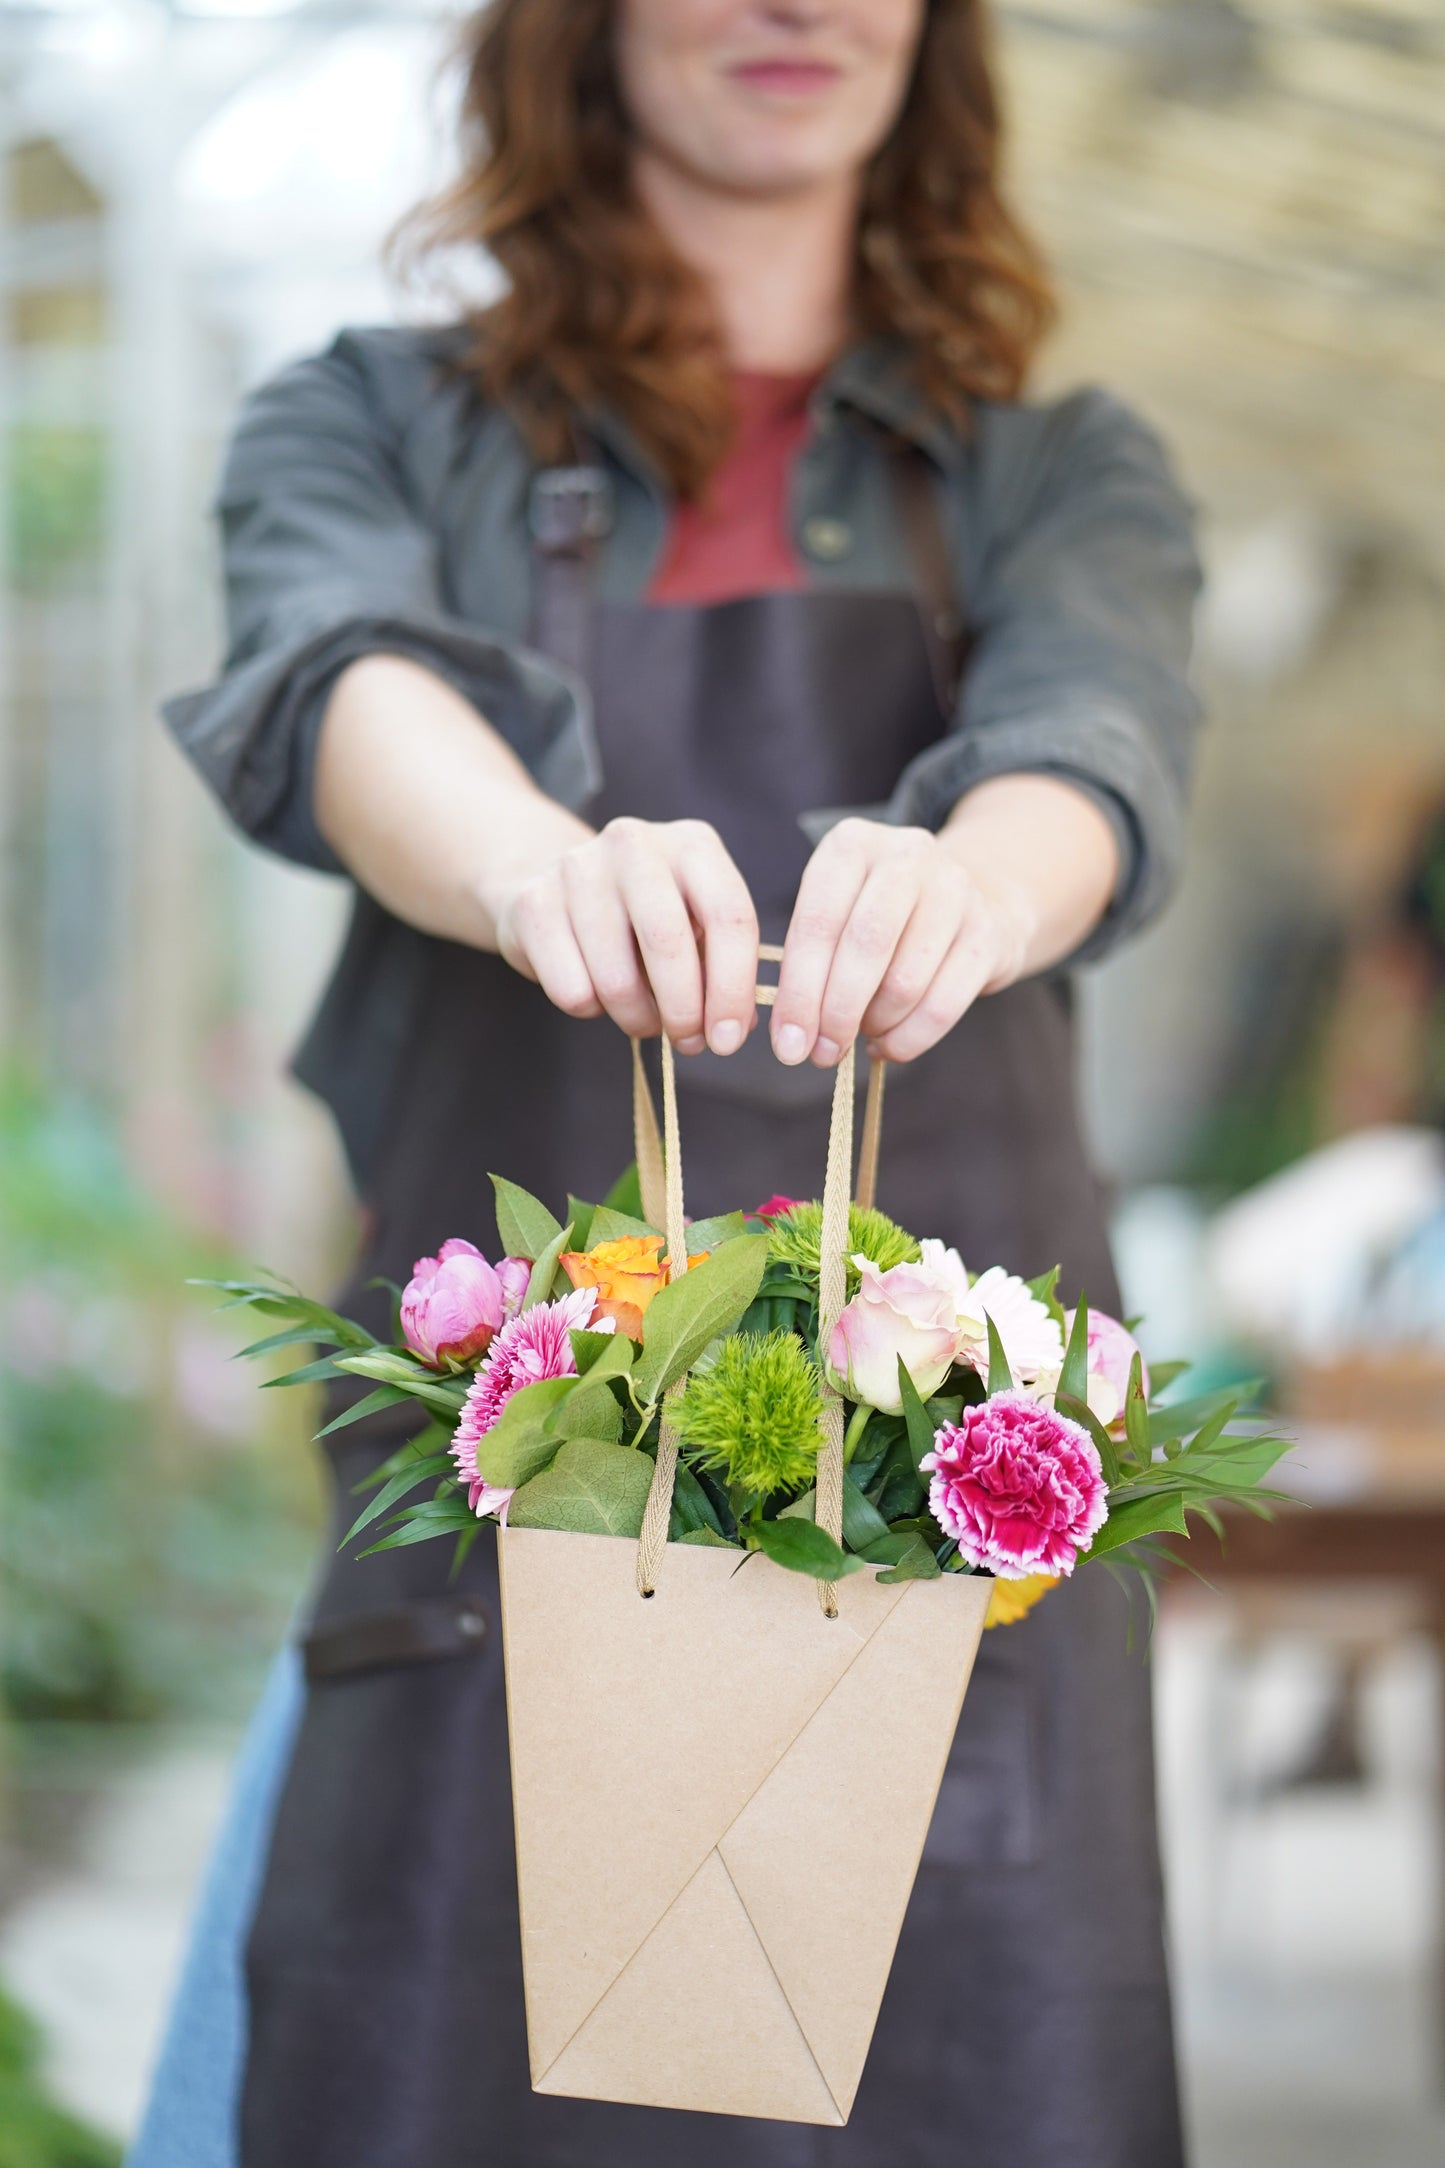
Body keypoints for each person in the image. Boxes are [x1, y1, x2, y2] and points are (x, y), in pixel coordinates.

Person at [131, 4, 1202, 2164]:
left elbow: (1091, 741)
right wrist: (535, 866)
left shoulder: (1050, 467)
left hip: (954, 1626)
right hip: (499, 1594)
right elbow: (345, 681)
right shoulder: (370, 422)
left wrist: (975, 888)